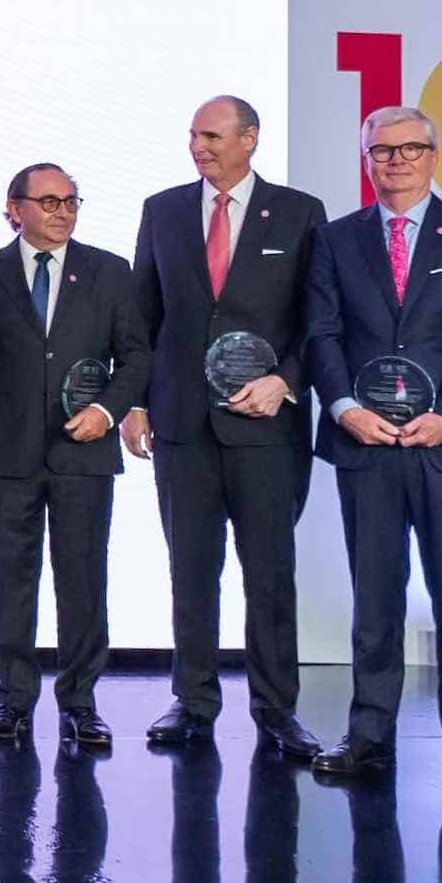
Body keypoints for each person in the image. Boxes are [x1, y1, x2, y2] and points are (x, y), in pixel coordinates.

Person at [306, 107, 442, 803]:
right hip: (365, 443)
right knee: (374, 600)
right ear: (365, 157)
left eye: (409, 148)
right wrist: (345, 409)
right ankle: (367, 737)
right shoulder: (335, 240)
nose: (395, 160)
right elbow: (322, 335)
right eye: (381, 149)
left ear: (434, 154)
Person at [124, 95, 325, 760]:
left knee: (269, 573)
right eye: (192, 136)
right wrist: (136, 402)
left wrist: (286, 381)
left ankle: (276, 708)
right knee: (191, 569)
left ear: (250, 138)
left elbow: (317, 321)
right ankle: (194, 700)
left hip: (267, 428)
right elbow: (141, 317)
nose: (199, 147)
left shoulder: (300, 214)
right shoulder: (163, 210)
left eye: (211, 135)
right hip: (182, 423)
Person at [0, 162, 149, 748]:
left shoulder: (110, 273)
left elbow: (136, 357)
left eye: (71, 201)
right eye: (49, 201)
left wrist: (109, 411)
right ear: (14, 209)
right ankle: (13, 700)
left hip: (85, 453)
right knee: (12, 580)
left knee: (83, 580)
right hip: (9, 453)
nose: (62, 211)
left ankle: (81, 703)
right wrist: (11, 406)